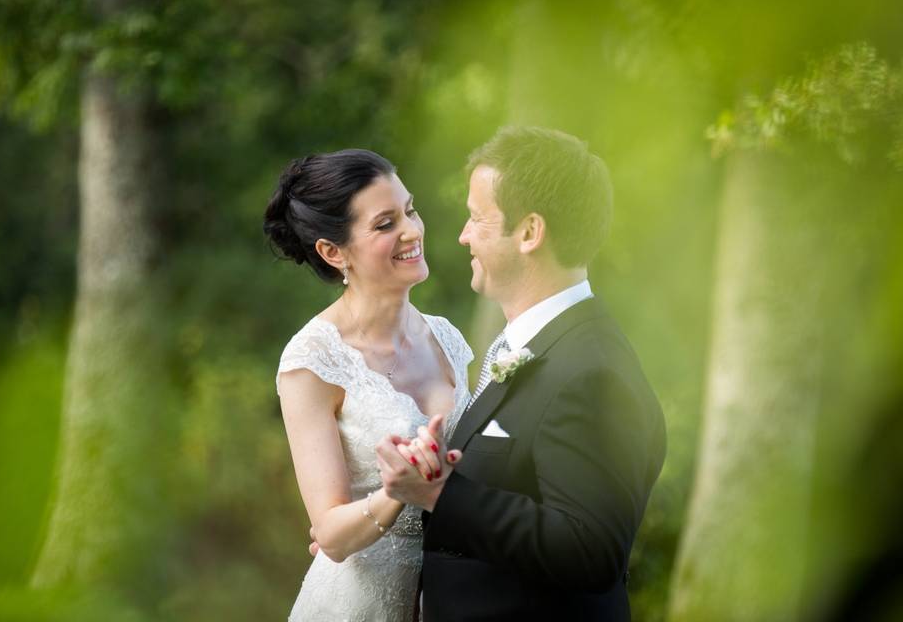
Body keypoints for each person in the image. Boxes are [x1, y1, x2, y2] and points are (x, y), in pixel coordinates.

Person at [376, 126, 667, 620]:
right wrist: (440, 470)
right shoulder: (535, 346)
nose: (463, 235)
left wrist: (440, 494)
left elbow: (591, 548)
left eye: (476, 219)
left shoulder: (591, 372)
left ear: (530, 232)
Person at [264, 149, 473, 621]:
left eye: (410, 210)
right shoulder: (313, 360)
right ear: (333, 252)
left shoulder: (449, 338)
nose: (412, 231)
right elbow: (331, 534)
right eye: (385, 224)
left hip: (450, 598)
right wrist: (396, 492)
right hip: (358, 604)